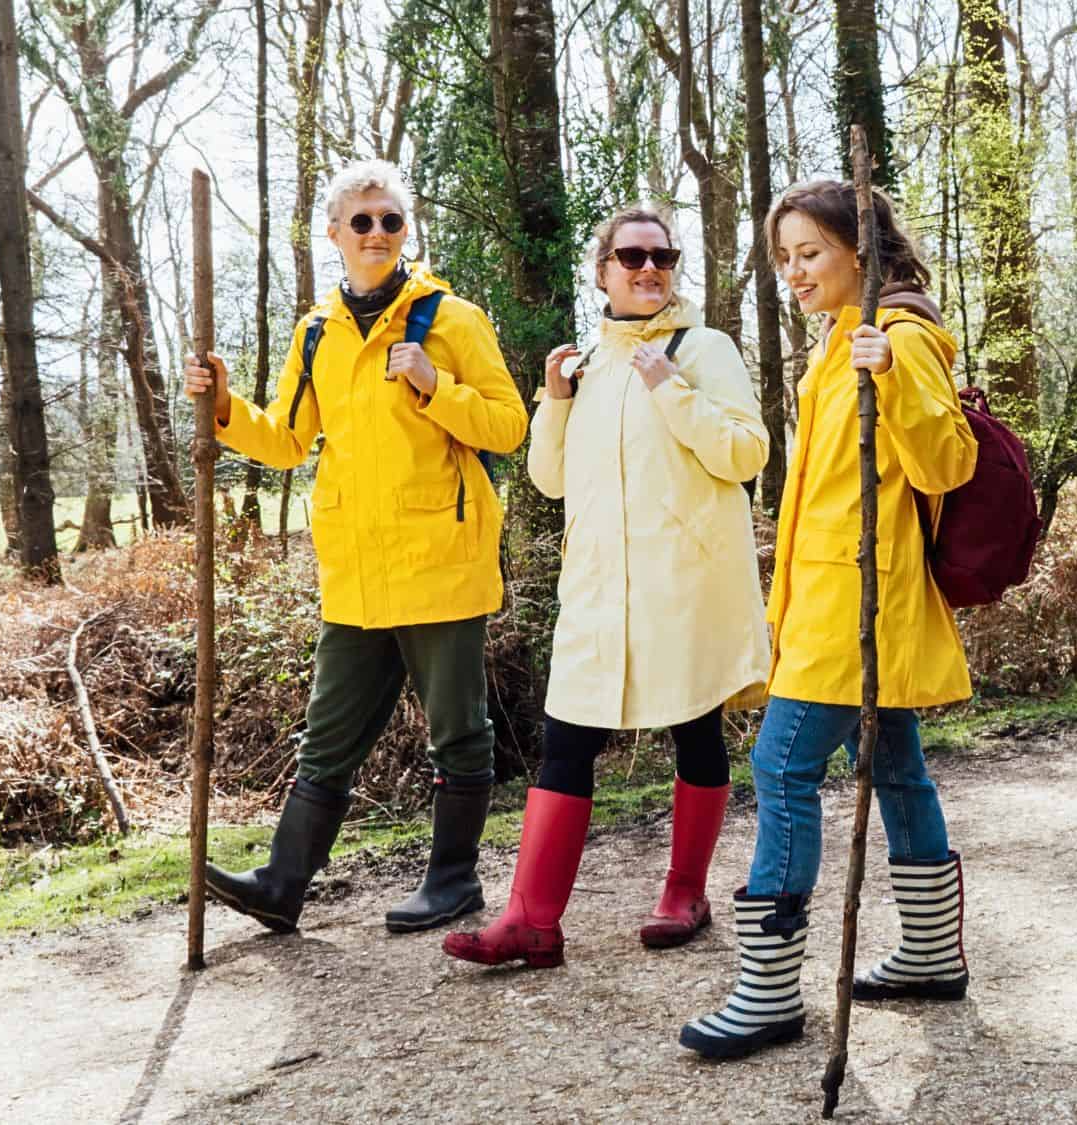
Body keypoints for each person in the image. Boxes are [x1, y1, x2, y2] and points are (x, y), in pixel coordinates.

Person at [184, 160, 528, 935]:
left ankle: (454, 882)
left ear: (408, 231)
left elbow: (509, 426)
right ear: (334, 233)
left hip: (441, 558)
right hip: (357, 571)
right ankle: (281, 883)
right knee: (328, 732)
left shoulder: (453, 318)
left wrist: (438, 385)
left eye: (391, 220)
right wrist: (226, 404)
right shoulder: (315, 334)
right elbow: (287, 439)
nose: (378, 233)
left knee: (458, 730)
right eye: (362, 221)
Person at [679, 181, 979, 1061]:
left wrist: (896, 375)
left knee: (780, 764)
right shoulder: (834, 342)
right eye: (785, 258)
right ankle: (929, 953)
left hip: (860, 604)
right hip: (824, 599)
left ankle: (768, 991)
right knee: (896, 766)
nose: (795, 272)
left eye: (810, 252)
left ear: (859, 248)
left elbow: (947, 463)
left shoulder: (902, 336)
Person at [441, 206, 770, 969]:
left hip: (684, 584)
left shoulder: (704, 348)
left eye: (663, 256)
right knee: (567, 738)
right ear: (603, 270)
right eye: (632, 256)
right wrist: (554, 400)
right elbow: (549, 479)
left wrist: (670, 389)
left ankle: (685, 893)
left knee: (694, 728)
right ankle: (531, 919)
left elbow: (746, 453)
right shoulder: (586, 362)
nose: (649, 267)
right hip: (597, 590)